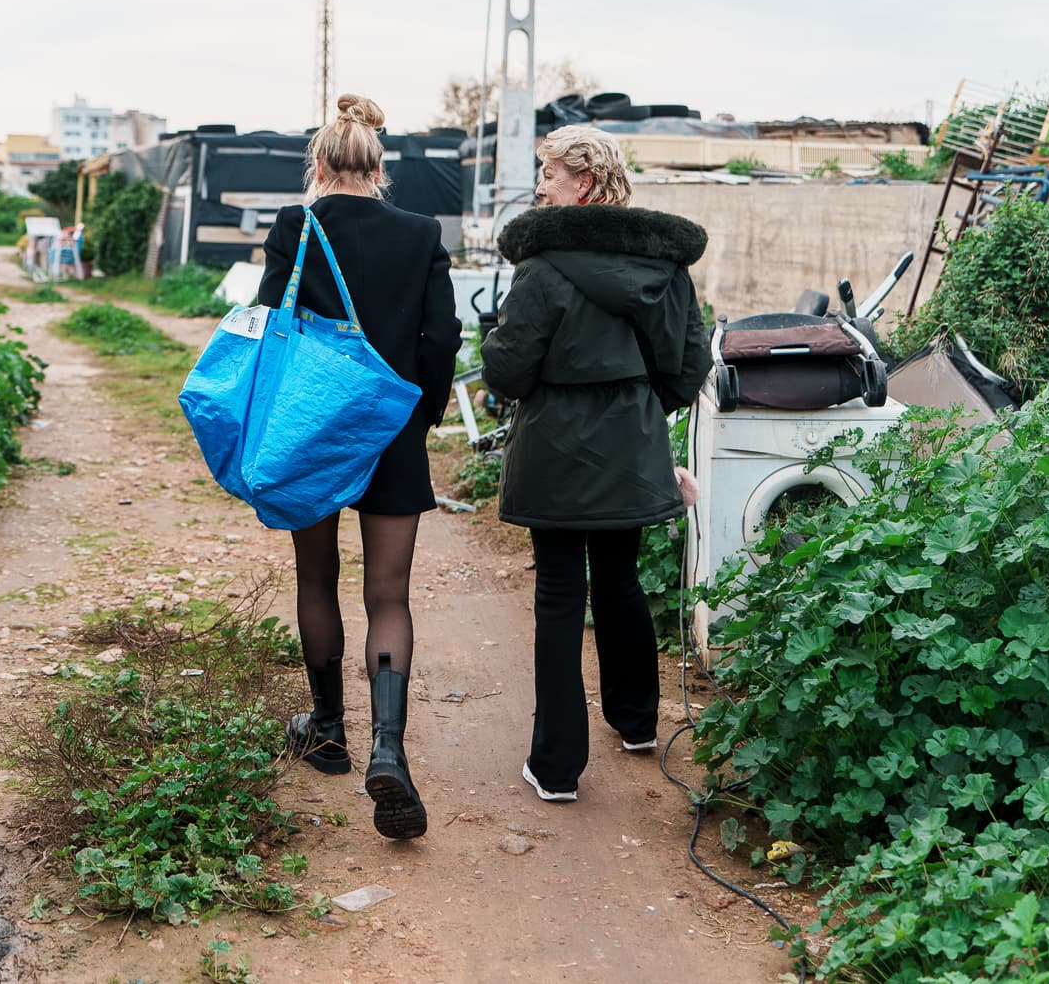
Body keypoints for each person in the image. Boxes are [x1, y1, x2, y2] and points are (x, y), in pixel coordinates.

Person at [480, 125, 710, 803]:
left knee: (559, 596)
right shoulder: (664, 265)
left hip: (553, 450)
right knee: (620, 578)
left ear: (583, 182)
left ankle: (556, 769)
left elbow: (509, 371)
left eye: (548, 172)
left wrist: (496, 346)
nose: (540, 185)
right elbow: (690, 362)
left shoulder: (542, 266)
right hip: (630, 446)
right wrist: (640, 409)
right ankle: (637, 724)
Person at [256, 94, 463, 840]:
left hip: (312, 430)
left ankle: (327, 731)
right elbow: (442, 337)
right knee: (389, 595)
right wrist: (422, 413)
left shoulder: (296, 226)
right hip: (392, 427)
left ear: (317, 165)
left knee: (316, 578)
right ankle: (388, 748)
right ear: (379, 168)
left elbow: (269, 323)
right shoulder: (420, 232)